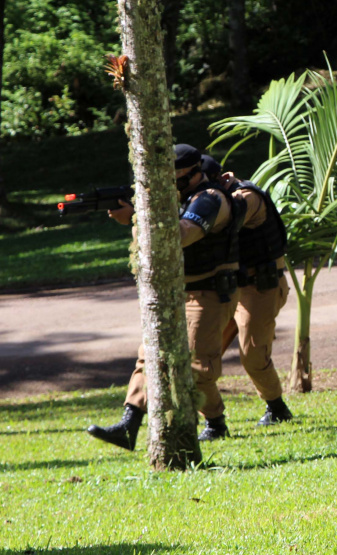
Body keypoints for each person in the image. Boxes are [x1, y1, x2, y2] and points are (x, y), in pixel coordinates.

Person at [87, 144, 242, 449]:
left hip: (208, 293)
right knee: (149, 357)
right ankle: (128, 424)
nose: (173, 186)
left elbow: (182, 235)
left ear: (196, 174)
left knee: (198, 367)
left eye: (179, 180)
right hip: (174, 292)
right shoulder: (178, 199)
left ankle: (213, 422)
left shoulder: (210, 199)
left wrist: (138, 216)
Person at [203, 155, 294, 426]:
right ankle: (209, 418)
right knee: (203, 353)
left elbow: (224, 220)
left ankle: (277, 408)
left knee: (253, 354)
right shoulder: (210, 199)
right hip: (230, 288)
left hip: (261, 287)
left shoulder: (247, 198)